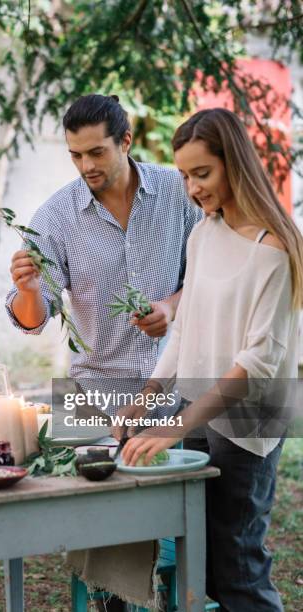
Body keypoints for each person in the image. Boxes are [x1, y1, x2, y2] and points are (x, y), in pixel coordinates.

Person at [119, 108, 303, 611]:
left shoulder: (275, 252)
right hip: (195, 408)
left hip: (246, 425)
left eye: (202, 173)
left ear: (234, 164)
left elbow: (256, 365)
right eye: (184, 175)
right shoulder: (203, 234)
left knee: (236, 569)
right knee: (196, 564)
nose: (192, 188)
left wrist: (175, 427)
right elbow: (185, 330)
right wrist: (147, 401)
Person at [6, 94, 202, 393]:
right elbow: (31, 323)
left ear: (125, 141)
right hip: (96, 399)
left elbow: (212, 276)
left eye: (97, 152)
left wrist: (171, 307)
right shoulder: (55, 218)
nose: (86, 166)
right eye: (76, 155)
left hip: (179, 390)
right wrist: (29, 291)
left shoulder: (179, 192)